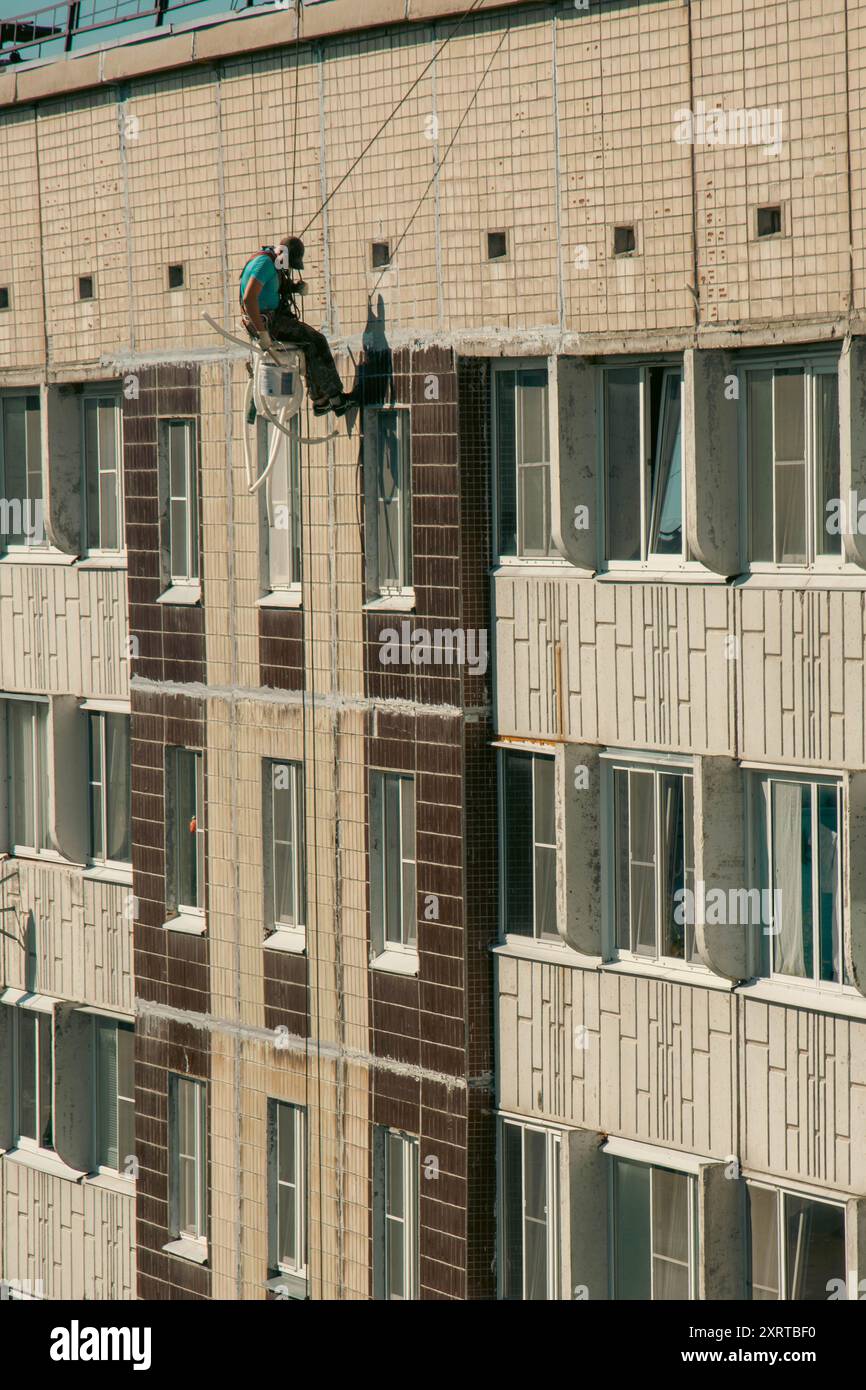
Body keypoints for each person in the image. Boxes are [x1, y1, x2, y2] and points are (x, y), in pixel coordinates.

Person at [240, 236, 351, 417]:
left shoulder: (270, 261)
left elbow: (268, 289)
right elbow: (249, 298)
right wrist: (262, 333)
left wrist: (293, 288)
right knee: (315, 341)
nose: (289, 269)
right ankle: (332, 398)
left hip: (267, 320)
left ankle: (321, 400)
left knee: (310, 342)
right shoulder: (265, 265)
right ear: (282, 254)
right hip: (268, 324)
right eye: (289, 264)